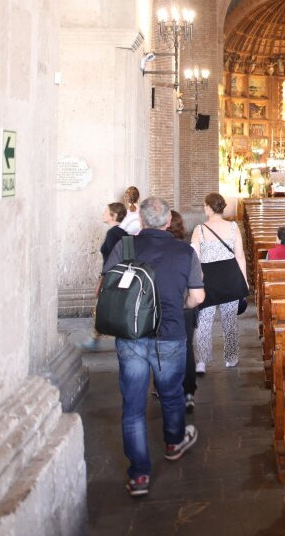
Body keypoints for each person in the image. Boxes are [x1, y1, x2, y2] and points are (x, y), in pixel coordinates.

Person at [102, 197, 204, 497]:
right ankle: (174, 442)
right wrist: (178, 306)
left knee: (133, 405)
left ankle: (139, 476)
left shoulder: (125, 246)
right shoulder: (184, 251)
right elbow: (197, 297)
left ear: (142, 221)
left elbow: (108, 284)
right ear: (168, 221)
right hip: (170, 333)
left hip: (131, 334)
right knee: (171, 393)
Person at [192, 193, 248, 373]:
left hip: (208, 278)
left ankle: (201, 361)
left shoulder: (199, 229)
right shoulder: (233, 227)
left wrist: (196, 283)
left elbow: (196, 260)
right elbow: (240, 256)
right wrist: (244, 281)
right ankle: (231, 357)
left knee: (204, 321)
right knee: (229, 320)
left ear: (208, 207)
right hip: (230, 276)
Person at [81, 202, 130, 351]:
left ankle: (96, 339)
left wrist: (101, 279)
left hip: (111, 276)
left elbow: (111, 259)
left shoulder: (112, 234)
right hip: (120, 275)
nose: (103, 214)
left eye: (106, 212)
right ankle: (95, 337)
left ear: (113, 216)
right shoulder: (122, 233)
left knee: (102, 307)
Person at [169, 210, 198, 414]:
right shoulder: (187, 250)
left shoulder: (152, 249)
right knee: (186, 347)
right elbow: (197, 286)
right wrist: (189, 303)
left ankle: (166, 388)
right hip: (184, 306)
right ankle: (188, 392)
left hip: (160, 306)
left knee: (161, 346)